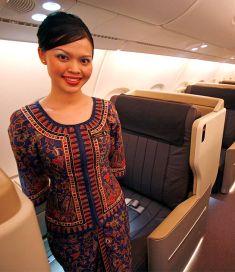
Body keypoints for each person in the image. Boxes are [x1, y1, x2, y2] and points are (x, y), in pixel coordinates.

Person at [8, 11, 132, 272]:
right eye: (63, 56)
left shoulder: (107, 110)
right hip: (69, 235)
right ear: (43, 55)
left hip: (115, 218)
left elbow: (117, 165)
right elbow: (35, 188)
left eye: (84, 60)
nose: (75, 69)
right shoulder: (23, 123)